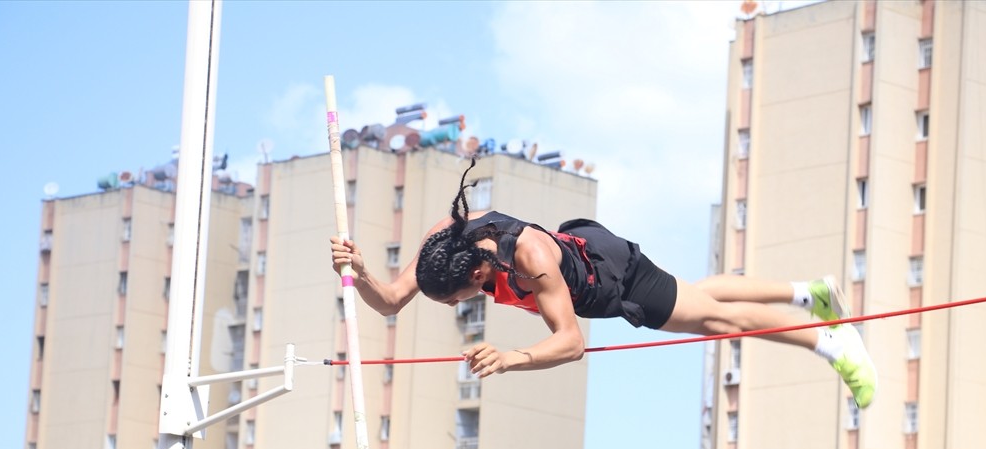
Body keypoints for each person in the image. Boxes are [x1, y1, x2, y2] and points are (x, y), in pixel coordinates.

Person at [330, 160, 878, 407]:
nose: (460, 304)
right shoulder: (442, 245)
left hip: (614, 276)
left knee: (714, 319)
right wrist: (358, 272)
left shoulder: (531, 258)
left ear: (478, 273)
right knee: (699, 293)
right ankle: (810, 292)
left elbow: (571, 344)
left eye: (459, 299)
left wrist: (510, 358)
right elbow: (388, 305)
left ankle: (831, 341)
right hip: (591, 260)